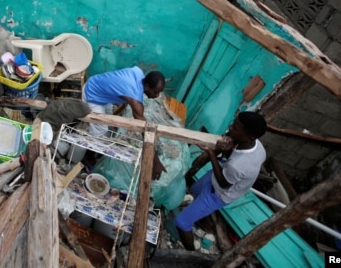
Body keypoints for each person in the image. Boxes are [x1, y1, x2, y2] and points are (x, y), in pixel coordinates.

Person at [175, 111, 267, 250]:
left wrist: (211, 153)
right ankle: (196, 211)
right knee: (194, 191)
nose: (230, 128)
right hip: (220, 175)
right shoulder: (256, 145)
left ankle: (190, 252)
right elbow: (231, 164)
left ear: (249, 137)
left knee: (181, 222)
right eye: (233, 124)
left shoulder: (239, 165)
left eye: (235, 128)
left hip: (218, 193)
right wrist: (229, 151)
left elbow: (224, 184)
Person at [83, 66, 166, 179]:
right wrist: (156, 161)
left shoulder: (138, 72)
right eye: (155, 92)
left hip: (101, 89)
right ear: (146, 86)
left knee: (108, 125)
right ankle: (87, 157)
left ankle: (98, 149)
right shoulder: (134, 97)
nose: (157, 95)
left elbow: (121, 82)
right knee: (101, 129)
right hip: (92, 93)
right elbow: (145, 130)